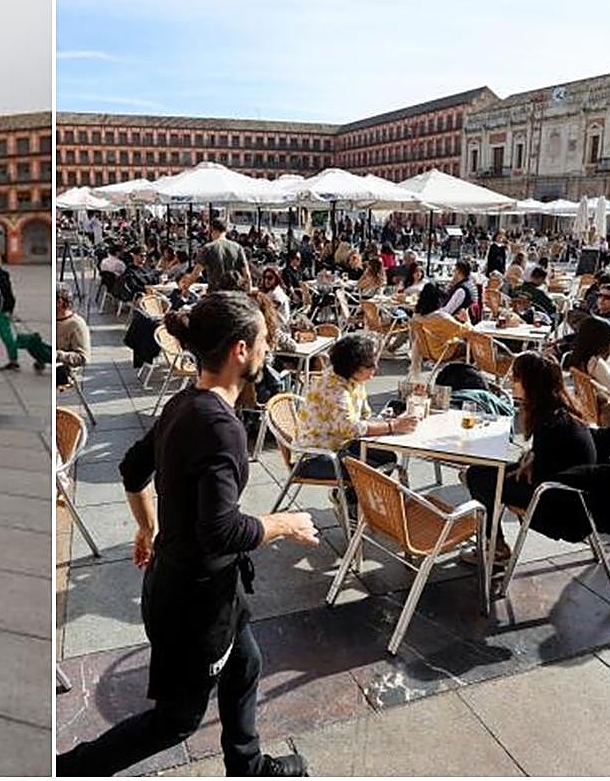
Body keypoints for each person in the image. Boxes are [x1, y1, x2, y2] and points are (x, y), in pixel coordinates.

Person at [57, 292, 318, 777]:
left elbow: (133, 470)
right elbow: (221, 530)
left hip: (198, 587)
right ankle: (71, 769)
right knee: (175, 722)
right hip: (195, 604)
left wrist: (148, 527)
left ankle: (249, 765)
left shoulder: (185, 402)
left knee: (245, 664)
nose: (268, 347)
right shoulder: (219, 425)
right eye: (263, 340)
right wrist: (286, 523)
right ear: (241, 349)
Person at [463, 352, 596, 568]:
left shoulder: (550, 421)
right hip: (572, 497)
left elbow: (548, 471)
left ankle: (496, 548)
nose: (511, 383)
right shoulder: (557, 412)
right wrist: (530, 458)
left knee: (479, 479)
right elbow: (553, 456)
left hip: (561, 507)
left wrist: (529, 463)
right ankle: (495, 543)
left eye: (516, 378)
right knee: (481, 474)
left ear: (532, 384)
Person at [295, 334, 417, 510]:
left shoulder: (352, 378)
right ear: (352, 367)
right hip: (316, 456)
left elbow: (364, 415)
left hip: (339, 444)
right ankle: (353, 506)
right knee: (374, 469)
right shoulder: (333, 388)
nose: (376, 368)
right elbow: (352, 428)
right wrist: (393, 426)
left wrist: (387, 418)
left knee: (387, 457)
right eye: (369, 365)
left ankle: (349, 498)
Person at [186, 217, 252, 292]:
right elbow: (247, 274)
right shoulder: (238, 248)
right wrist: (249, 291)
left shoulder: (208, 248)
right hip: (234, 294)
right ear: (226, 230)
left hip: (215, 294)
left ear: (212, 229)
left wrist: (185, 287)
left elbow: (196, 273)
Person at [56, 284, 91, 387]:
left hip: (63, 370)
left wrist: (59, 355)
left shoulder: (76, 324)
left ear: (59, 302)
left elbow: (83, 358)